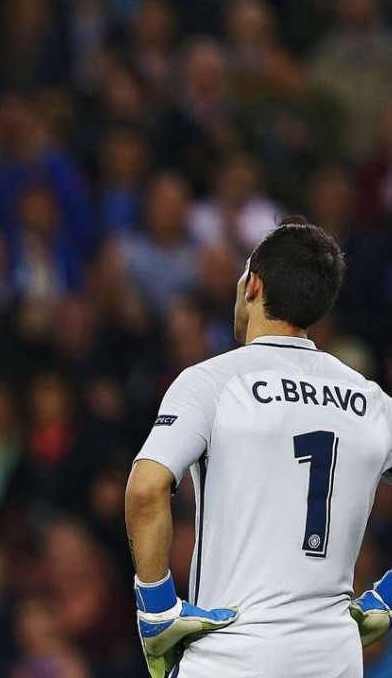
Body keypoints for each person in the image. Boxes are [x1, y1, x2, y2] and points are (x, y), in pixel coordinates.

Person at [124, 216, 392, 677]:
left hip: (232, 657)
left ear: (254, 286)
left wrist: (157, 607)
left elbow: (146, 489)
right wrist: (388, 596)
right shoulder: (372, 401)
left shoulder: (213, 382)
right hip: (335, 660)